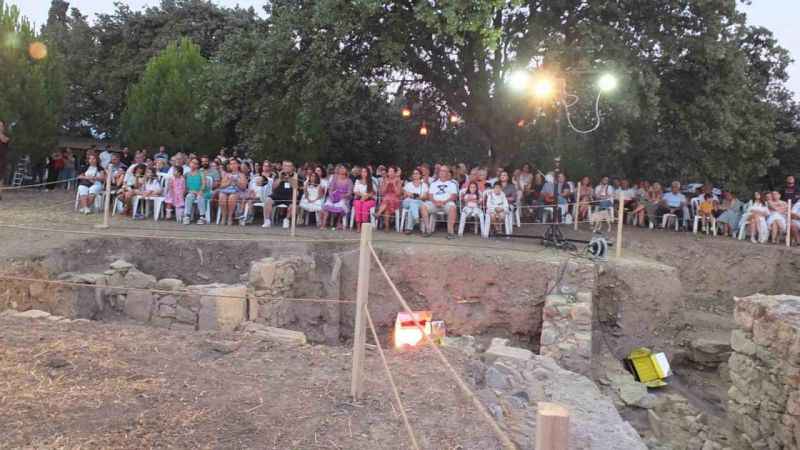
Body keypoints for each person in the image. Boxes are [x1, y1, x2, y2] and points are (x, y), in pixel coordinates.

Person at [423, 166, 459, 239]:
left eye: (444, 171)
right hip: (435, 203)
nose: (442, 172)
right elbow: (430, 195)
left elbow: (454, 196)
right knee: (423, 207)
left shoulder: (452, 184)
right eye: (441, 171)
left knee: (453, 207)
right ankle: (428, 230)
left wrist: (444, 202)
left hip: (447, 203)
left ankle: (450, 232)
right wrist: (435, 202)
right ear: (439, 173)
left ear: (447, 173)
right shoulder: (434, 184)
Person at [264, 161, 297, 228]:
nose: (287, 168)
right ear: (283, 167)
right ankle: (267, 220)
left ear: (292, 168)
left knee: (293, 205)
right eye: (285, 166)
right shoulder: (278, 174)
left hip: (289, 197)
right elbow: (273, 187)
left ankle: (286, 220)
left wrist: (289, 179)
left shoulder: (296, 175)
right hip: (277, 195)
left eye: (289, 166)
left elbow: (296, 187)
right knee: (268, 200)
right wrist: (280, 178)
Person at [321, 165, 353, 230]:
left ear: (346, 171)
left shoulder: (349, 181)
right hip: (334, 196)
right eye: (341, 168)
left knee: (341, 206)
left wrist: (342, 196)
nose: (342, 170)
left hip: (344, 197)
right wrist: (332, 196)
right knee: (327, 204)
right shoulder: (335, 179)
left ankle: (338, 223)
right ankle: (324, 224)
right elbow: (330, 189)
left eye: (344, 168)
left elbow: (349, 192)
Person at [218, 159, 247, 226]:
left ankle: (230, 217)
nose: (233, 165)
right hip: (226, 190)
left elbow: (244, 187)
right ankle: (224, 216)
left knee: (232, 197)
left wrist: (236, 181)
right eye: (231, 164)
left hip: (237, 191)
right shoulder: (227, 174)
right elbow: (221, 186)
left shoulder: (241, 175)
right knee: (222, 196)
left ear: (238, 165)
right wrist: (229, 182)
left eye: (234, 163)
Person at [402, 168, 429, 234]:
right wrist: (409, 194)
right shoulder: (408, 184)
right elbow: (404, 196)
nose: (415, 175)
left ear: (420, 175)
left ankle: (409, 228)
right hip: (407, 201)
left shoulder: (424, 185)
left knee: (413, 205)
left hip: (419, 202)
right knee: (412, 201)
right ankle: (416, 218)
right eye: (414, 173)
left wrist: (419, 197)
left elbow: (425, 197)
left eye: (417, 173)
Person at [375, 166, 401, 231]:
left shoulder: (398, 180)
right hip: (386, 199)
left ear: (395, 173)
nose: (390, 173)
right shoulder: (385, 180)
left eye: (392, 171)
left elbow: (398, 193)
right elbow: (382, 193)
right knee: (387, 207)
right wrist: (386, 185)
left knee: (387, 200)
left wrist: (394, 185)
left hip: (395, 199)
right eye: (389, 171)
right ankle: (387, 227)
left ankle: (378, 213)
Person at [183, 158, 207, 224]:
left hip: (201, 191)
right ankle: (187, 216)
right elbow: (184, 185)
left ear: (198, 166)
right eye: (192, 162)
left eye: (195, 163)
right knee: (189, 196)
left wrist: (200, 191)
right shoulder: (187, 174)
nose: (193, 164)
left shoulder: (201, 173)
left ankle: (202, 217)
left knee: (200, 197)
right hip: (191, 192)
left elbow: (204, 184)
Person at [352, 167, 376, 231]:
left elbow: (373, 193)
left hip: (369, 199)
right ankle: (358, 226)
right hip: (359, 198)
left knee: (365, 206)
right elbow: (355, 191)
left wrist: (366, 197)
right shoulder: (357, 181)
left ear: (368, 173)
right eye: (362, 172)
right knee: (357, 204)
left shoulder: (371, 181)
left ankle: (364, 225)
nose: (364, 173)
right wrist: (362, 196)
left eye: (365, 172)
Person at [0, 119, 9, 192]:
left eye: (1, 126)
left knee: (1, 177)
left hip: (2, 159)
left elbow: (5, 140)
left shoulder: (5, 136)